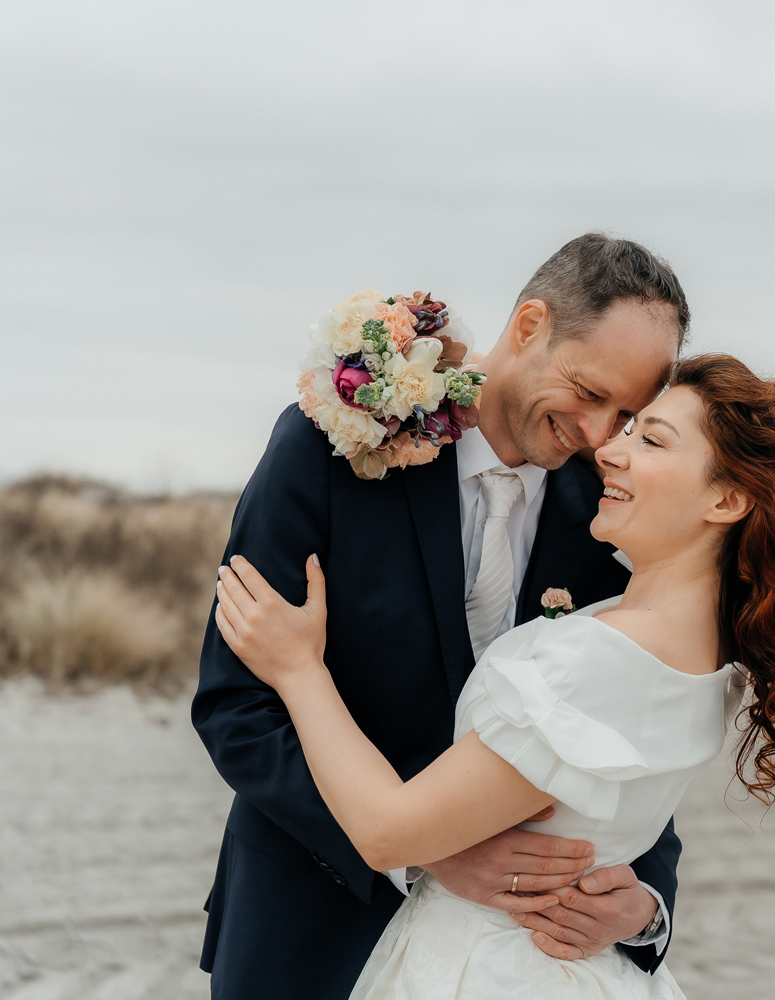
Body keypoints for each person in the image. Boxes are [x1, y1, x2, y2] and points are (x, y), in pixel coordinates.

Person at [213, 354, 775, 998]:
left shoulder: (610, 651)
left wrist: (298, 668)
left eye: (649, 438)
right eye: (625, 427)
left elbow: (388, 832)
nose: (609, 449)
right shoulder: (696, 646)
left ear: (726, 498)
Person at [193, 234, 691, 999]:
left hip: (511, 962)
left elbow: (630, 733)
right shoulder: (328, 448)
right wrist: (420, 848)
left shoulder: (608, 518)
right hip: (310, 935)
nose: (598, 435)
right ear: (530, 326)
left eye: (626, 414)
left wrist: (644, 905)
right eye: (589, 392)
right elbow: (236, 708)